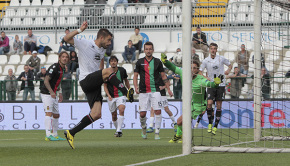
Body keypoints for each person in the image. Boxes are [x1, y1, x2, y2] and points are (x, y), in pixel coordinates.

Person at [63, 21, 134, 149]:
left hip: (94, 83)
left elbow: (100, 65)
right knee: (110, 69)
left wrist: (102, 78)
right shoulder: (85, 44)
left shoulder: (102, 50)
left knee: (96, 114)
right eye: (108, 40)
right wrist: (80, 30)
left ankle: (71, 133)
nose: (109, 43)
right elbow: (66, 38)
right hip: (85, 80)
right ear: (101, 37)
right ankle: (126, 92)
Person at [159, 53, 221, 143]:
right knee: (181, 121)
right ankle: (179, 136)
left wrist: (215, 83)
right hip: (189, 104)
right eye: (191, 67)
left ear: (197, 70)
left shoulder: (200, 79)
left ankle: (186, 138)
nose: (192, 70)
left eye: (195, 68)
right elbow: (173, 67)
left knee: (181, 121)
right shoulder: (183, 73)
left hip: (198, 105)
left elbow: (208, 84)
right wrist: (165, 61)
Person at [133, 41, 171, 140]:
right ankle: (144, 128)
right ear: (144, 50)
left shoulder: (158, 61)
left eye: (150, 49)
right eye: (147, 49)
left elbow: (163, 76)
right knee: (142, 114)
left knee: (158, 111)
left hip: (156, 90)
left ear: (153, 50)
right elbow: (136, 75)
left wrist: (168, 87)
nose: (148, 51)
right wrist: (136, 86)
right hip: (143, 91)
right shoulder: (139, 62)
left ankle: (157, 132)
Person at [199, 43, 232, 135]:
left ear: (216, 50)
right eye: (211, 49)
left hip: (221, 85)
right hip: (211, 85)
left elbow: (230, 65)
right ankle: (210, 123)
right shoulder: (206, 60)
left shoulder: (221, 58)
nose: (213, 50)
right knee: (209, 103)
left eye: (214, 49)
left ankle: (215, 126)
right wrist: (206, 78)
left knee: (218, 105)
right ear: (209, 50)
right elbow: (200, 72)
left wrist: (228, 70)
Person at [40, 51, 70, 141]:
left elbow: (58, 81)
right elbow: (46, 81)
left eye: (66, 57)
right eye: (63, 57)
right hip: (47, 93)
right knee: (48, 113)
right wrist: (51, 92)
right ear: (59, 58)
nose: (65, 58)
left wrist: (59, 92)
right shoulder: (54, 67)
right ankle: (48, 135)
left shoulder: (63, 68)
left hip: (54, 94)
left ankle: (55, 134)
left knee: (56, 115)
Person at [104, 56, 130, 137]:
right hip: (111, 96)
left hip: (121, 95)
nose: (113, 62)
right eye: (111, 61)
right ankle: (118, 130)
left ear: (117, 62)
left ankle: (118, 130)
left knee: (121, 110)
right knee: (114, 115)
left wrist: (129, 90)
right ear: (109, 63)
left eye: (114, 61)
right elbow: (105, 85)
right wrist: (108, 95)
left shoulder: (122, 70)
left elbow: (126, 81)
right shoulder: (106, 72)